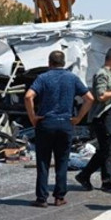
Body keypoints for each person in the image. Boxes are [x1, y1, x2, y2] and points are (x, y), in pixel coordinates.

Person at [24, 50, 94, 207]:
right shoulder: (72, 78)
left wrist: (33, 117)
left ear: (49, 63)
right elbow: (89, 98)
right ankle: (59, 196)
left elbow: (28, 96)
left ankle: (42, 198)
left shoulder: (43, 78)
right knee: (62, 161)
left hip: (46, 123)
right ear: (64, 63)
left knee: (43, 161)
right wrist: (78, 118)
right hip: (65, 123)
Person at [75, 47, 111, 192]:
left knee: (108, 149)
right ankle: (85, 175)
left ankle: (106, 179)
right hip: (102, 116)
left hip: (109, 115)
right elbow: (101, 95)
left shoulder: (110, 74)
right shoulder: (102, 74)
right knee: (105, 150)